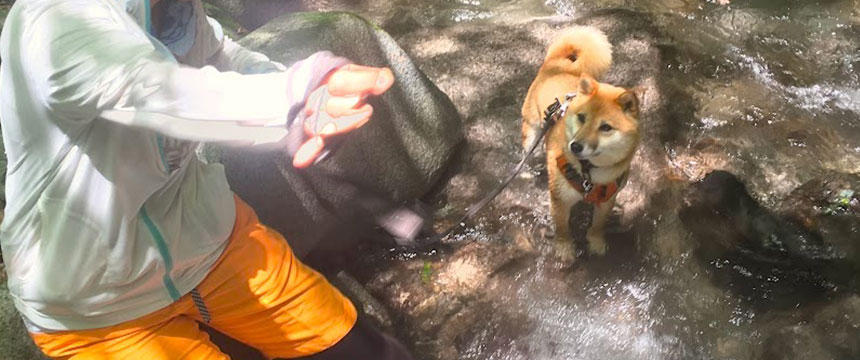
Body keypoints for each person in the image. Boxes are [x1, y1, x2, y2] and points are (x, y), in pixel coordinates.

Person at [0, 0, 414, 358]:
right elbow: (155, 92)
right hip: (97, 307)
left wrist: (311, 112)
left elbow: (222, 61)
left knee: (365, 352)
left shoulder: (176, 11)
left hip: (213, 241)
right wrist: (292, 95)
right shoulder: (56, 19)